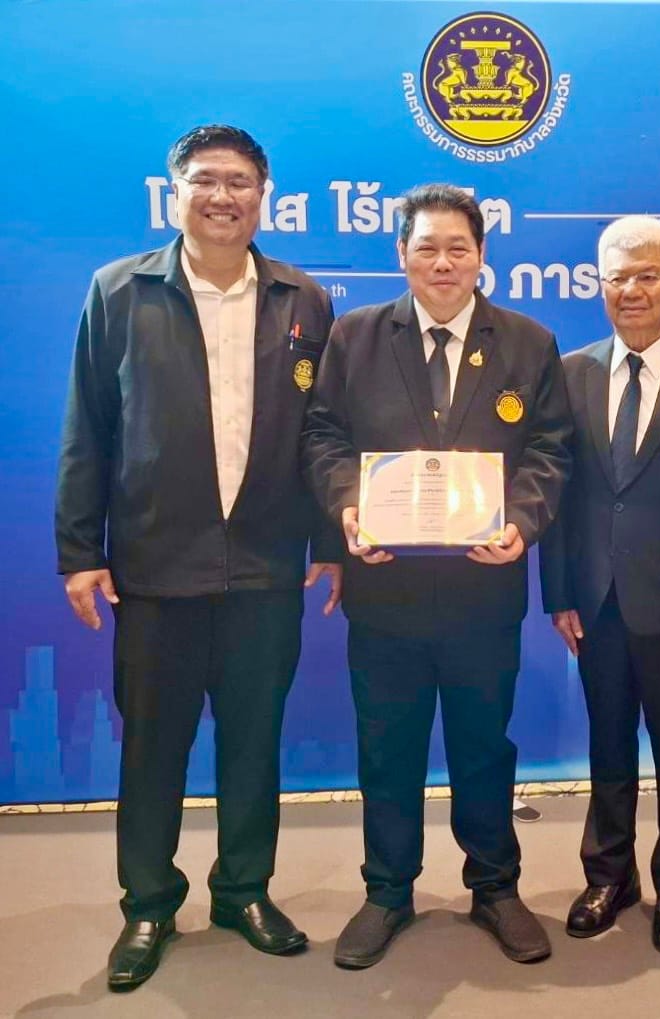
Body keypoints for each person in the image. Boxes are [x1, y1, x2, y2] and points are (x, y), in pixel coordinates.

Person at [55, 125, 342, 991]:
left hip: (265, 565)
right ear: (174, 192)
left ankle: (243, 890)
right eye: (206, 180)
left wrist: (331, 542)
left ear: (264, 196)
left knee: (254, 742)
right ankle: (148, 902)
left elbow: (325, 434)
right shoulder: (120, 291)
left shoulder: (302, 299)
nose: (223, 196)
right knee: (154, 746)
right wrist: (80, 550)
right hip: (156, 566)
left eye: (241, 182)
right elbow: (88, 428)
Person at [302, 183, 572, 969]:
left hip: (483, 594)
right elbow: (322, 436)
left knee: (483, 746)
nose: (443, 262)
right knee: (386, 748)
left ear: (482, 255)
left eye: (459, 247)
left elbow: (550, 449)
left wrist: (521, 519)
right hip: (384, 593)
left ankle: (494, 885)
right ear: (401, 255)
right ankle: (387, 891)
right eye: (427, 247)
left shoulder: (527, 342)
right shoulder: (354, 336)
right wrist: (349, 505)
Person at [539, 216, 660, 953]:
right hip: (595, 600)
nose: (631, 291)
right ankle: (608, 875)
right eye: (616, 277)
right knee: (607, 742)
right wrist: (559, 592)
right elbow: (557, 495)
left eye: (646, 276)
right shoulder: (570, 373)